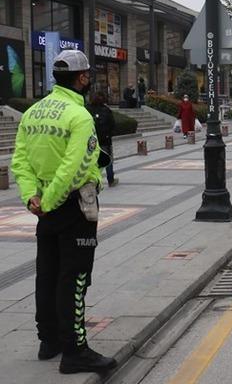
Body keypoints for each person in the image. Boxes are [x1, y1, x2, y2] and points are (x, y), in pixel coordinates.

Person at [10, 50, 117, 374]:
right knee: (75, 276)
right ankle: (75, 350)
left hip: (44, 208)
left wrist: (34, 198)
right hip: (72, 207)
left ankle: (50, 340)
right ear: (82, 78)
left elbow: (20, 161)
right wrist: (54, 199)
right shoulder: (78, 116)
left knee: (48, 273)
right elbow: (76, 166)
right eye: (89, 75)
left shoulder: (33, 112)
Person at [87, 92, 117, 187]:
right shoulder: (106, 110)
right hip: (105, 140)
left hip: (91, 140)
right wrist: (109, 134)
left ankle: (92, 180)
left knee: (91, 160)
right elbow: (112, 124)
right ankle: (110, 180)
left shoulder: (87, 110)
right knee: (107, 160)